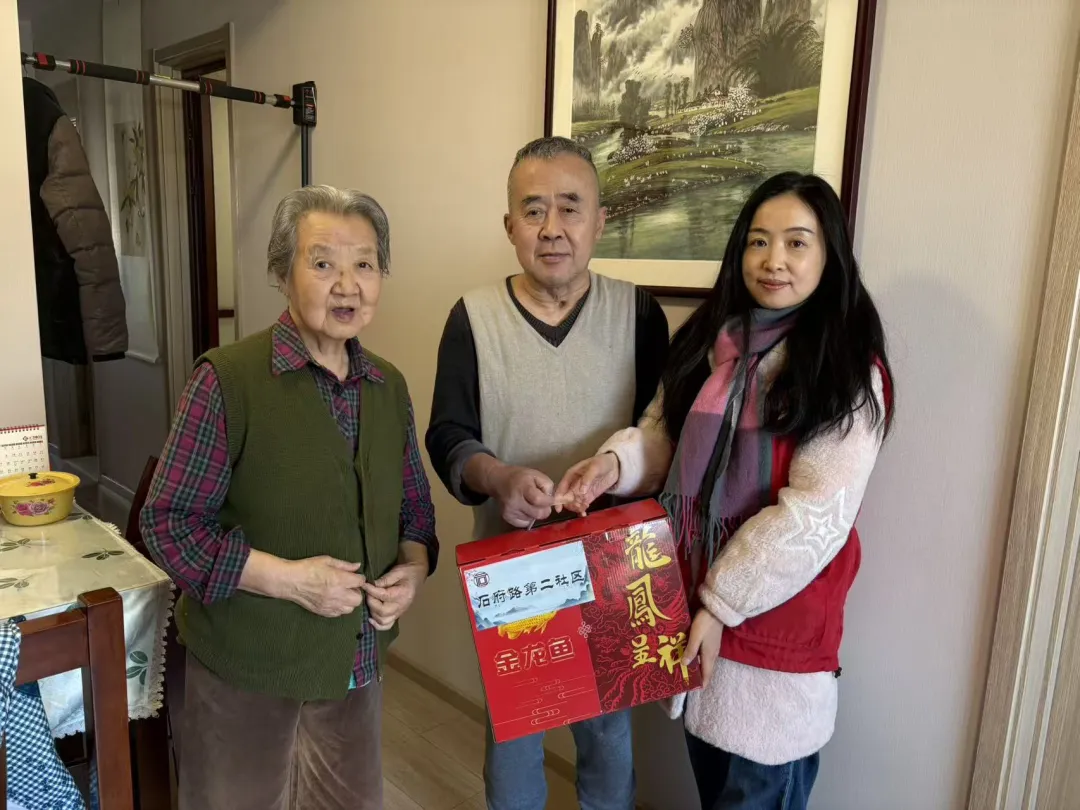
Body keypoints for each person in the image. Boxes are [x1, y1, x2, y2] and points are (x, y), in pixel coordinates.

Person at [557, 172, 893, 810]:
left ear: (830, 254)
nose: (773, 260)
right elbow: (663, 437)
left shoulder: (846, 370)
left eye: (797, 243)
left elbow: (814, 516)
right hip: (693, 621)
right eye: (758, 241)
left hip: (770, 647)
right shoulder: (712, 342)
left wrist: (719, 604)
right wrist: (612, 465)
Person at [141, 185, 438, 810]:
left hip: (355, 668)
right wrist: (290, 581)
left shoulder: (387, 385)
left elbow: (415, 512)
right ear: (282, 273)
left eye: (365, 264)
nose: (347, 285)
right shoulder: (227, 380)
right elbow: (167, 524)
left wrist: (413, 572)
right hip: (247, 670)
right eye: (322, 262)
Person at [425, 136, 669, 810]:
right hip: (513, 561)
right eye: (533, 211)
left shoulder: (639, 314)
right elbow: (447, 434)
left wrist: (614, 473)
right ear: (510, 226)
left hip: (615, 558)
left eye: (570, 208)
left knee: (609, 733)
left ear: (600, 221)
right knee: (515, 732)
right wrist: (498, 477)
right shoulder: (472, 319)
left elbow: (662, 432)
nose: (552, 228)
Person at [22, 76, 127, 365]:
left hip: (36, 311)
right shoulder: (36, 108)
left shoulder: (35, 108)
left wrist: (106, 338)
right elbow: (87, 234)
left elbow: (86, 230)